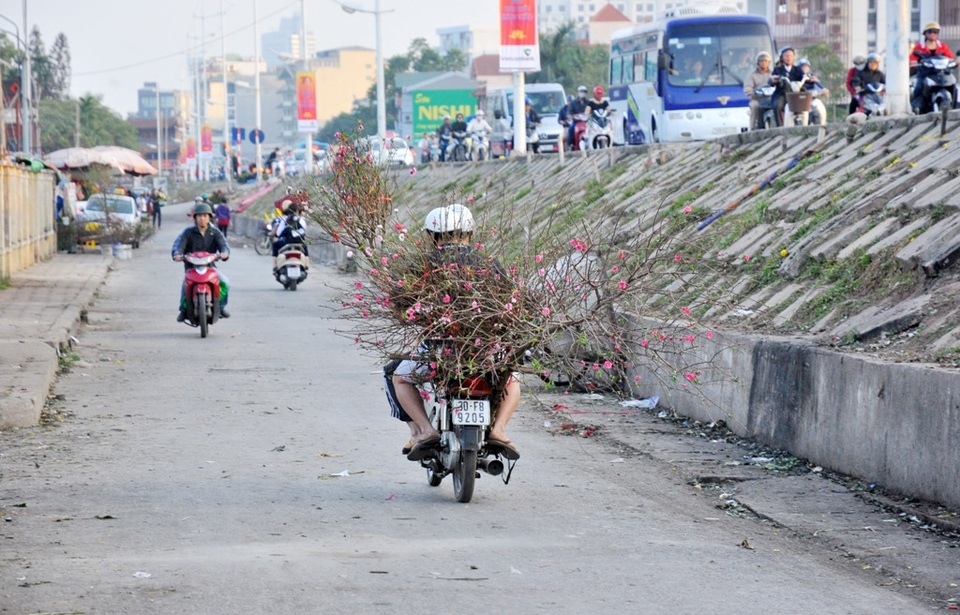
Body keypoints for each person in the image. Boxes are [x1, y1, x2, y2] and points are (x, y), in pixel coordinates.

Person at [384, 203, 521, 461]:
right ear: (469, 233)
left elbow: (399, 300)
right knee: (512, 380)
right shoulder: (489, 263)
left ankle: (423, 431)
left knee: (397, 376)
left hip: (440, 350)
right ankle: (499, 430)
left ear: (432, 235)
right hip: (483, 351)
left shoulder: (422, 264)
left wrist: (414, 314)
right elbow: (511, 301)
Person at [171, 203, 231, 322]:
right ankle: (183, 309)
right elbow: (178, 245)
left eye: (205, 216)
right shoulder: (188, 232)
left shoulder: (215, 232)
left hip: (210, 267)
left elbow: (224, 245)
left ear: (209, 217)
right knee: (185, 285)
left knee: (225, 282)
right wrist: (177, 254)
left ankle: (221, 306)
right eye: (199, 216)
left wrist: (224, 253)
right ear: (195, 218)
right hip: (191, 267)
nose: (202, 218)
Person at [910, 21, 956, 113]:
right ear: (925, 34)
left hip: (942, 74)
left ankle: (954, 105)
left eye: (935, 32)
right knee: (918, 88)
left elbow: (950, 58)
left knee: (954, 83)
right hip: (925, 74)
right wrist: (913, 62)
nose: (933, 34)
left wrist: (955, 61)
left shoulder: (943, 46)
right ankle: (916, 107)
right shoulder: (919, 47)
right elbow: (912, 59)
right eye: (930, 32)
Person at [770, 46, 804, 126]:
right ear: (782, 57)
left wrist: (811, 79)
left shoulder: (798, 69)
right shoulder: (778, 69)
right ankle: (780, 126)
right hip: (782, 94)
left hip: (796, 94)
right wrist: (774, 80)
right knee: (777, 106)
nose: (789, 58)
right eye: (786, 56)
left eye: (791, 56)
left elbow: (804, 77)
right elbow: (772, 81)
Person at [744, 51, 773, 130]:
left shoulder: (773, 73)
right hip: (757, 98)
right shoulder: (752, 75)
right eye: (761, 61)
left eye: (765, 61)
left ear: (769, 62)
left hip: (770, 98)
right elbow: (748, 87)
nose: (763, 63)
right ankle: (753, 129)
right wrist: (752, 92)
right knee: (755, 106)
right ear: (758, 62)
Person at [796, 58, 829, 125]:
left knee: (820, 109)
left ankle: (821, 126)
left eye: (806, 66)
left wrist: (823, 91)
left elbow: (822, 89)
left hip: (812, 100)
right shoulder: (796, 78)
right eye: (802, 67)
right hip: (800, 101)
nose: (804, 68)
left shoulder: (812, 78)